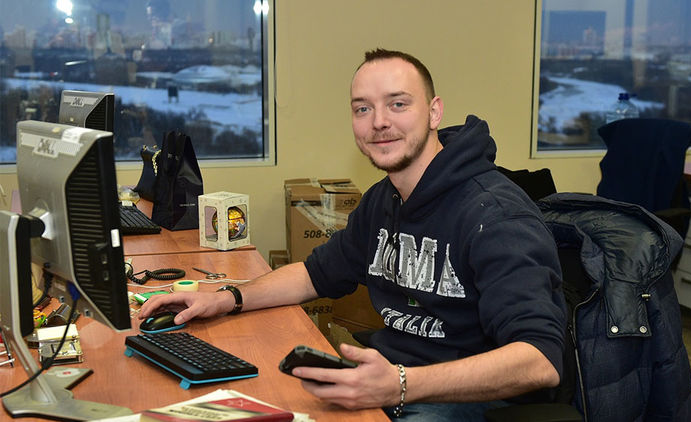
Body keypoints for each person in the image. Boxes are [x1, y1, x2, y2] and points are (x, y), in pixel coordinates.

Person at [140, 48, 567, 421]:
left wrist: (400, 384)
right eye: (363, 109)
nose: (379, 122)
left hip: (464, 399)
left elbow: (540, 361)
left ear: (434, 112)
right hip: (391, 381)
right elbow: (315, 274)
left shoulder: (496, 216)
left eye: (398, 104)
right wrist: (225, 298)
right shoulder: (384, 199)